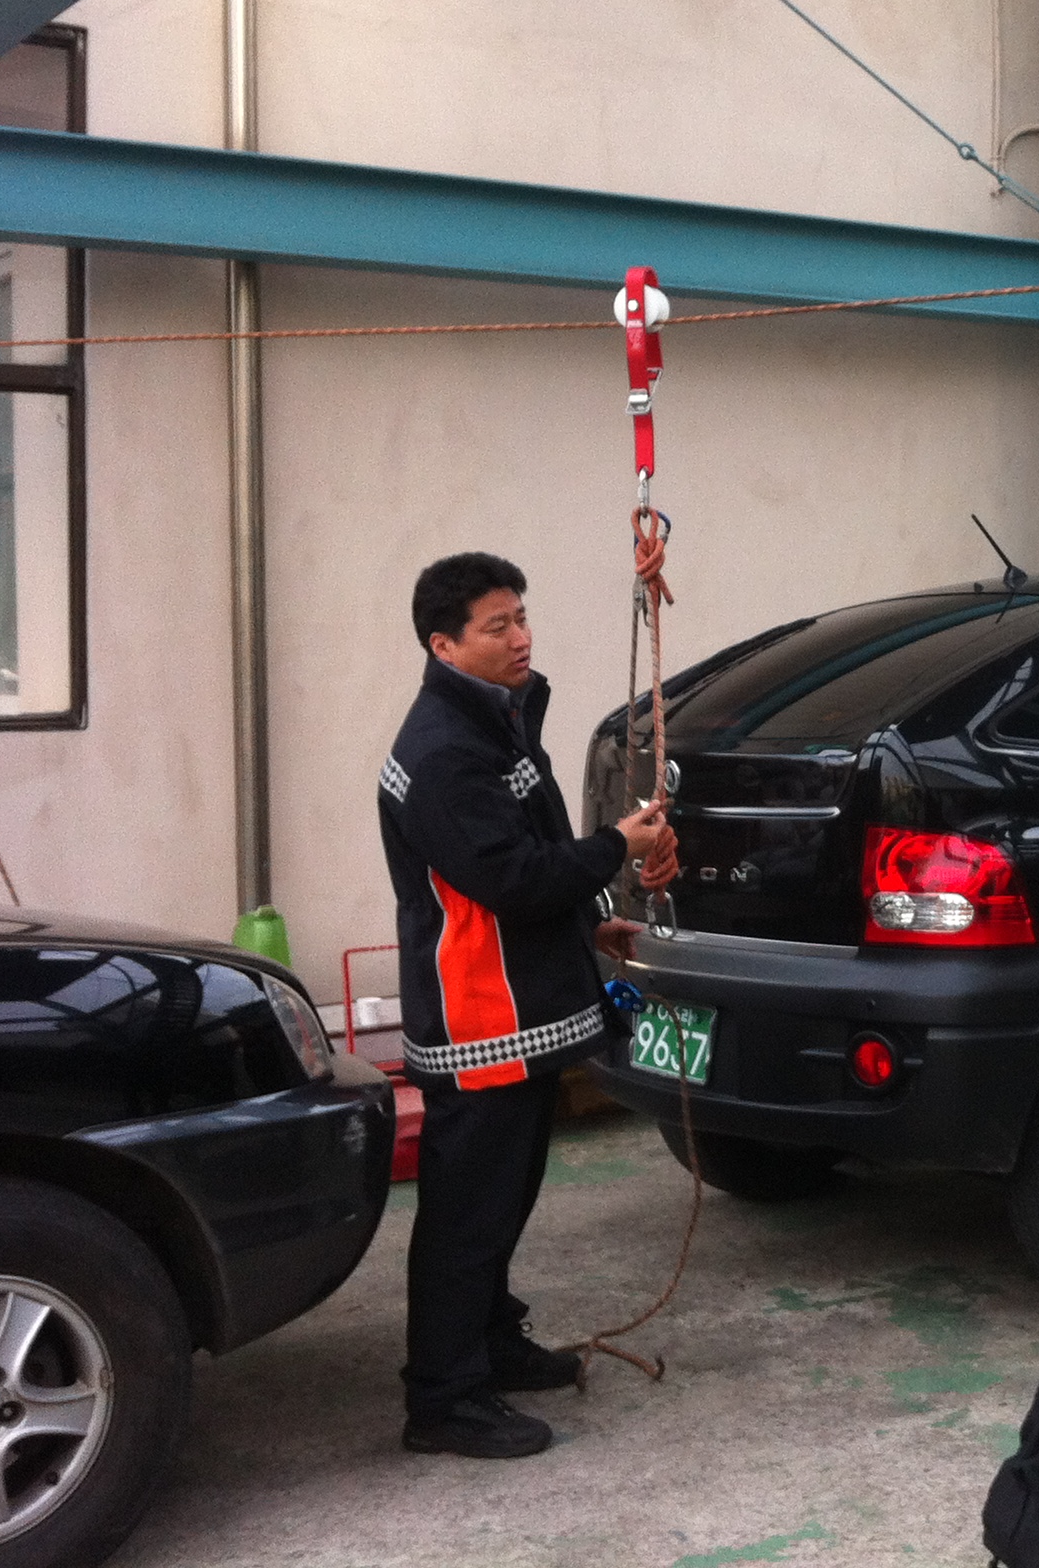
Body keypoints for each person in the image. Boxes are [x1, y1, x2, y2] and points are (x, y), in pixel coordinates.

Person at [378, 552, 679, 1460]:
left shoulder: (496, 722)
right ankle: (443, 1399)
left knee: (503, 1199)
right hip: (483, 1019)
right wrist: (617, 846)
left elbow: (523, 853)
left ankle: (490, 1342)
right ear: (444, 645)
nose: (521, 637)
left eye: (521, 617)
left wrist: (591, 925)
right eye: (497, 626)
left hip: (521, 1004)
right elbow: (511, 878)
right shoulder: (444, 753)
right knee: (467, 1215)